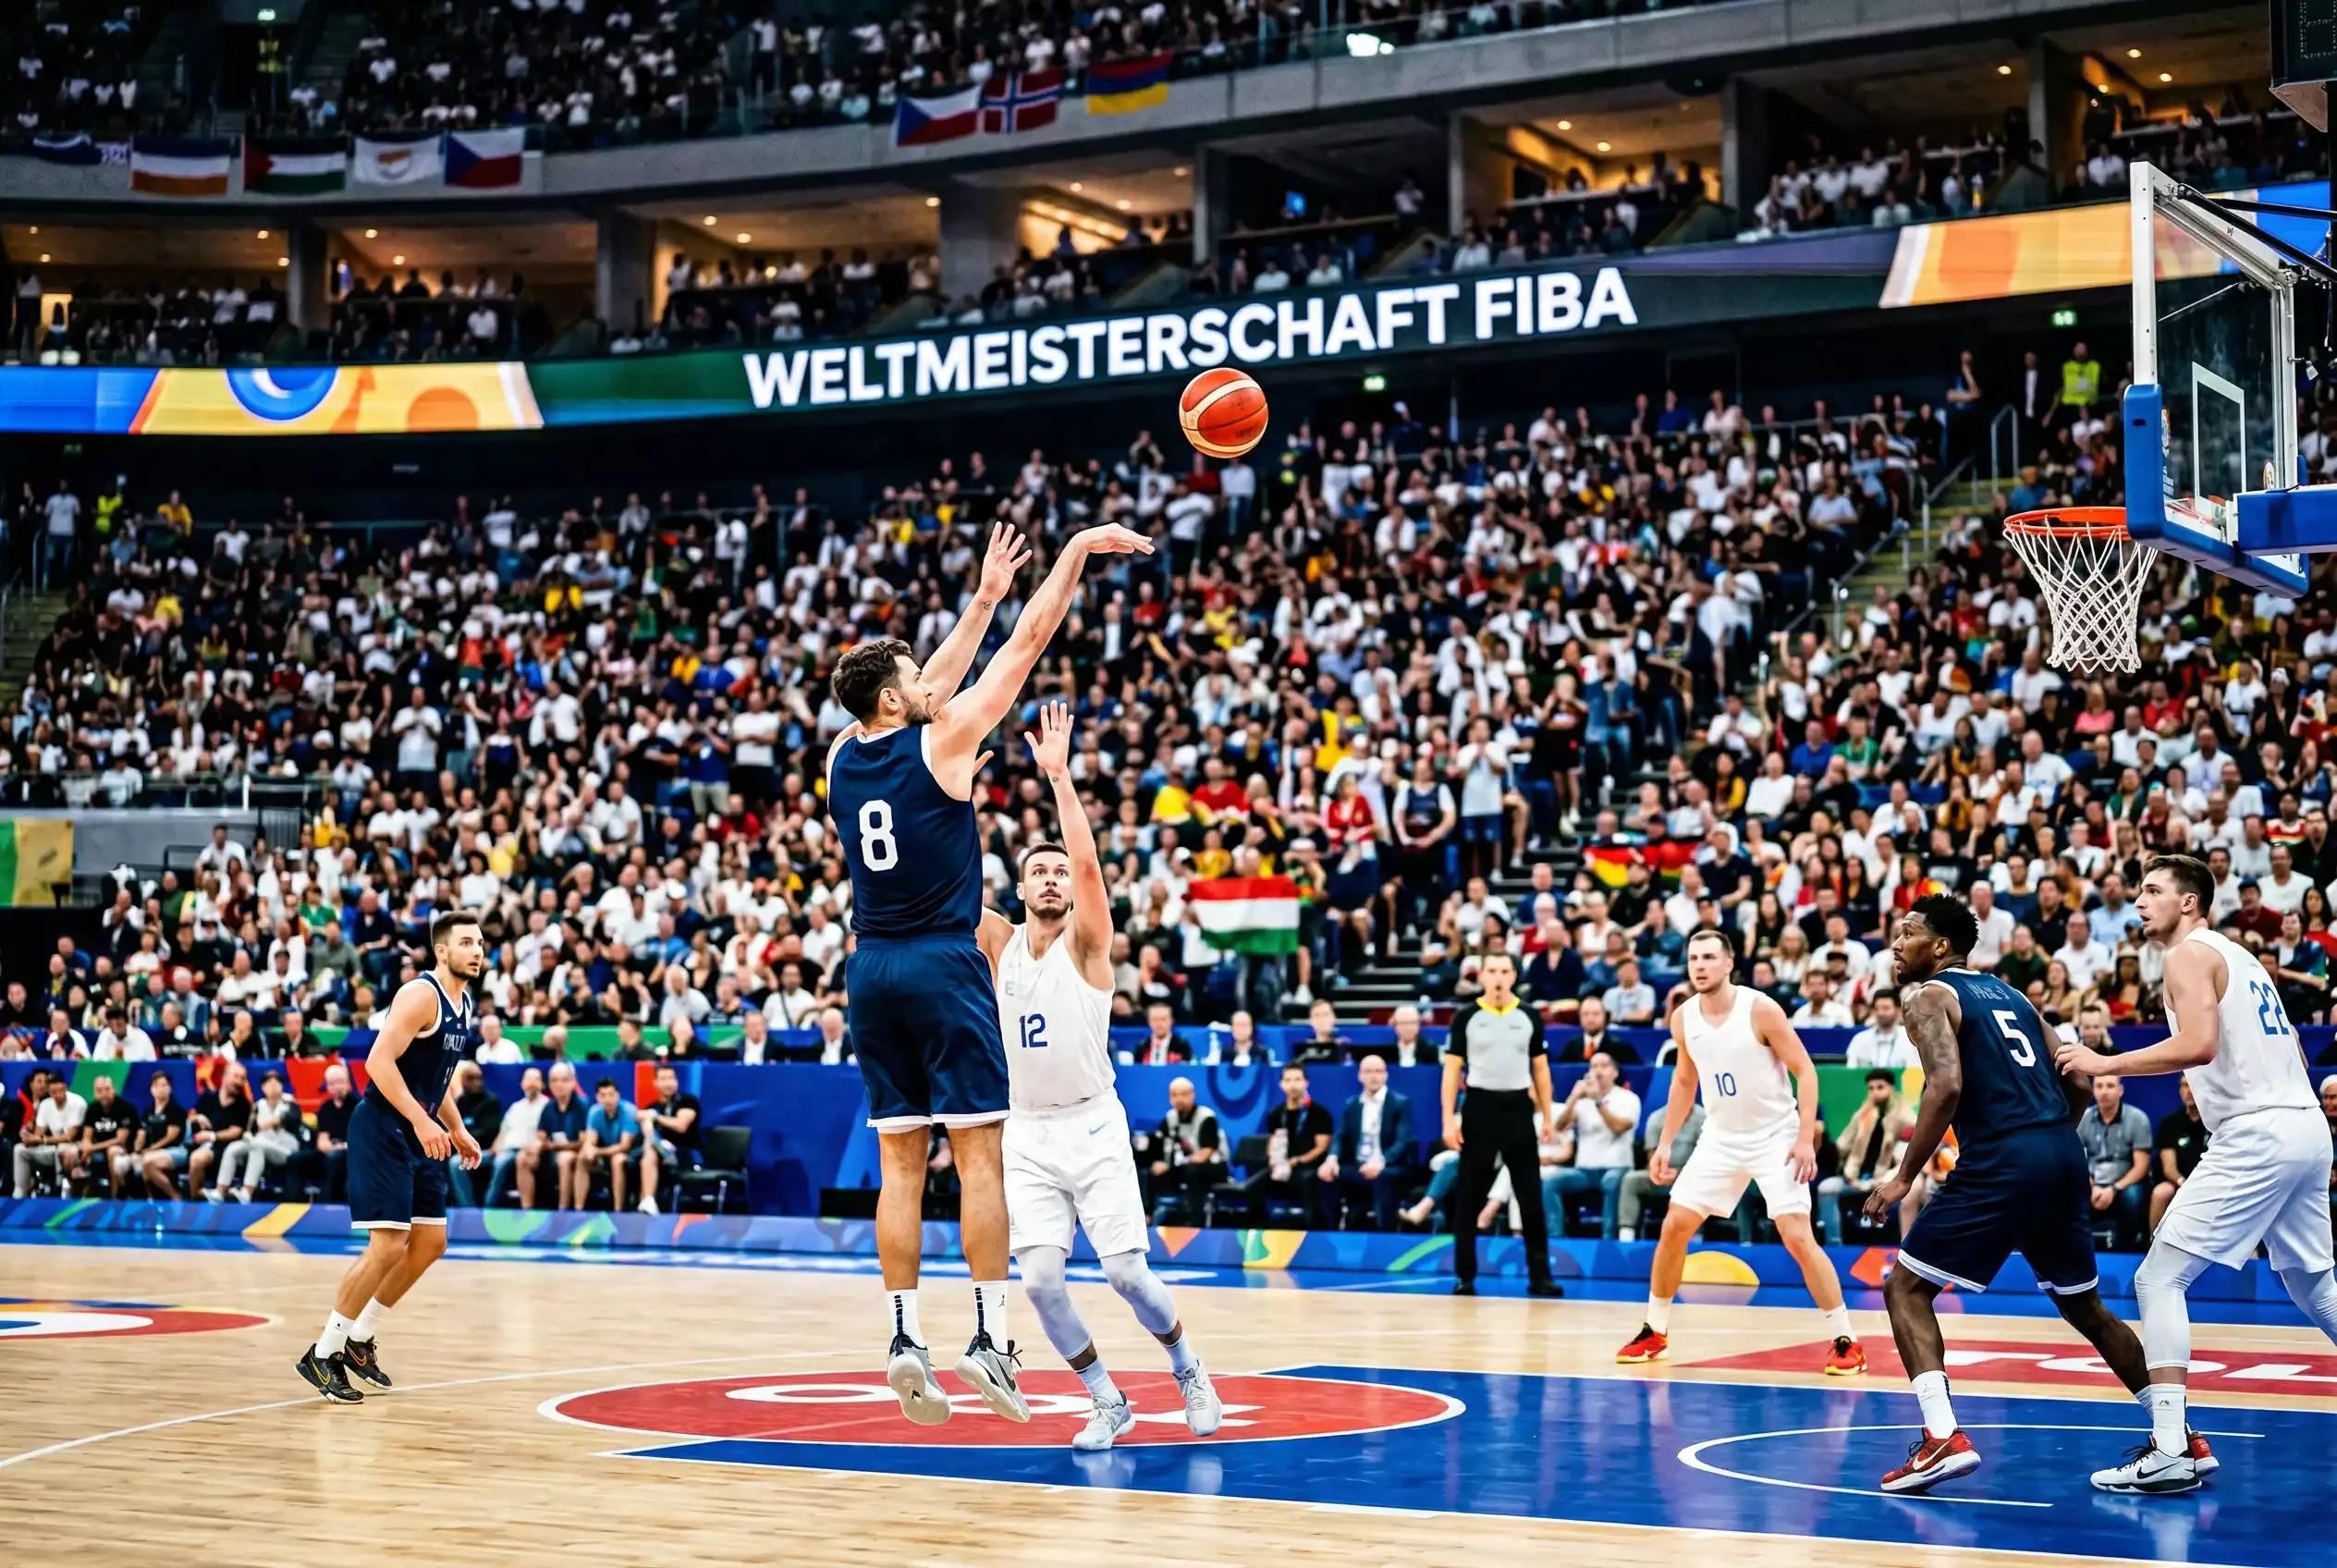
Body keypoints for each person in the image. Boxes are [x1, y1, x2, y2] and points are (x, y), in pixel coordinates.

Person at [826, 519, 1147, 1427]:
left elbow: (927, 682)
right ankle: (989, 1338)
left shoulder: (842, 754)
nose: (930, 682)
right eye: (913, 678)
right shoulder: (947, 739)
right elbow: (1027, 644)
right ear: (897, 698)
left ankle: (902, 1338)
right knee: (977, 1157)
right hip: (944, 959)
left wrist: (980, 598)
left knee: (899, 1165)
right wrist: (1073, 552)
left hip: (869, 968)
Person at [1871, 894, 2209, 1496]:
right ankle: (2180, 1436)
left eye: (1908, 933)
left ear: (1941, 947)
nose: (1896, 944)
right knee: (2086, 1307)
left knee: (1906, 1288)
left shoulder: (1927, 998)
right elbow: (2076, 1076)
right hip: (2060, 1152)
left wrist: (1902, 1178)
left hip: (2003, 1156)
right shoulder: (2014, 996)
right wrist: (2048, 1135)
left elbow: (1945, 1087)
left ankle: (1942, 1437)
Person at [976, 702, 1219, 1451]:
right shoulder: (999, 943)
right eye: (1038, 872)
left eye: (1058, 872)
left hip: (1091, 1122)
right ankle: (1107, 1400)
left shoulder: (1087, 944)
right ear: (1020, 889)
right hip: (1027, 1130)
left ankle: (1187, 1366)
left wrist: (1058, 779)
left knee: (1127, 1276)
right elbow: (944, 886)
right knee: (1040, 1283)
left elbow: (1087, 866)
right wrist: (947, 795)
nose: (1052, 879)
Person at [2055, 854, 2336, 1494]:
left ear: (2189, 902)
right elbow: (2294, 1049)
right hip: (2305, 1125)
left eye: (2152, 890)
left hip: (2258, 1131)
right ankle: (2175, 1446)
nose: (2139, 901)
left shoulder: (2186, 954)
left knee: (2159, 1278)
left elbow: (2199, 1046)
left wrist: (2105, 1062)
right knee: (2313, 1284)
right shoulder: (2244, 959)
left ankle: (2171, 1448)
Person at [1618, 929, 1866, 1373]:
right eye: (1694, 958)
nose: (1700, 965)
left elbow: (1806, 1071)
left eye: (1709, 957)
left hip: (1774, 1135)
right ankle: (1655, 1330)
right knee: (1674, 1225)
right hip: (1720, 1136)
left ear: (1729, 963)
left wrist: (1804, 1138)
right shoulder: (1683, 1017)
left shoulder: (1760, 1009)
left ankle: (1845, 1338)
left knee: (1797, 1236)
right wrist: (1666, 1143)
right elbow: (1683, 1083)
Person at [295, 911, 484, 1404]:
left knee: (431, 1242)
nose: (477, 951)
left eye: (480, 943)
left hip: (421, 1132)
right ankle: (323, 1352)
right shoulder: (420, 994)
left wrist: (456, 1128)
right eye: (466, 942)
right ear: (442, 951)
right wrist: (423, 1121)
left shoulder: (464, 1003)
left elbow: (436, 1078)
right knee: (388, 1246)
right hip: (384, 1128)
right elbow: (377, 1062)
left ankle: (359, 1339)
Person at [1441, 950, 1562, 1297]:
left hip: (1518, 1108)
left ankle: (1540, 1277)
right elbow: (1452, 1070)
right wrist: (1448, 1119)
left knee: (1530, 1197)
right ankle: (1465, 1276)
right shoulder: (1466, 1016)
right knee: (1468, 1196)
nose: (1497, 977)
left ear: (1513, 976)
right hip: (1479, 1107)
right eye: (1491, 970)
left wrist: (1547, 1117)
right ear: (1481, 975)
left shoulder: (1528, 1015)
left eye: (1504, 971)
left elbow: (1541, 1069)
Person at [1319, 1052, 1416, 1230]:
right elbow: (1340, 1136)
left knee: (1382, 1179)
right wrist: (1331, 1159)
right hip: (1358, 1165)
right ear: (1360, 1076)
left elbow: (1402, 1141)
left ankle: (1383, 1234)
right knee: (1327, 1176)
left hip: (1389, 1166)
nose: (1374, 1076)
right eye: (1368, 1071)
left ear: (1386, 1075)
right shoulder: (1352, 1104)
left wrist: (1380, 1162)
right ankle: (1329, 1234)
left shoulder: (1400, 1103)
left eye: (1378, 1071)